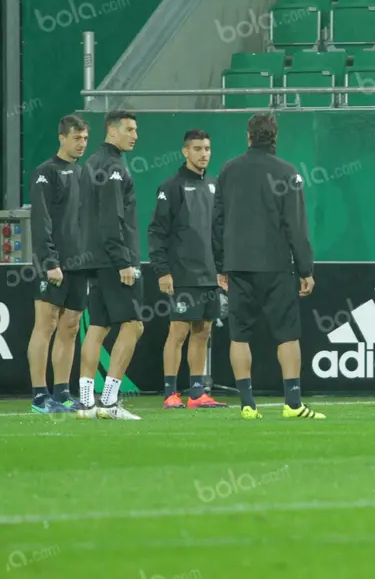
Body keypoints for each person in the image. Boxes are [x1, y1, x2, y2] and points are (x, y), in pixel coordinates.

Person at [213, 113, 320, 420]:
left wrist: (221, 266)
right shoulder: (288, 172)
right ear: (275, 137)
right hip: (275, 266)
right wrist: (306, 269)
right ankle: (293, 404)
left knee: (239, 335)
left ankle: (247, 404)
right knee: (287, 335)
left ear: (249, 136)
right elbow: (296, 227)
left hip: (238, 265)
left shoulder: (227, 170)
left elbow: (216, 223)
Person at [148, 129, 227, 410]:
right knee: (178, 332)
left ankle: (196, 393)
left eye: (207, 148)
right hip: (182, 275)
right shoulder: (171, 187)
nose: (203, 153)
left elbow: (220, 234)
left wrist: (222, 270)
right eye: (197, 149)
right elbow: (157, 232)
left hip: (210, 276)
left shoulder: (216, 186)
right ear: (185, 152)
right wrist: (162, 271)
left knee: (203, 331)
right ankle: (170, 393)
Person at [77, 110, 144, 420]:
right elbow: (111, 219)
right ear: (112, 132)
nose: (135, 135)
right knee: (133, 325)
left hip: (93, 259)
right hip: (115, 260)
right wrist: (124, 262)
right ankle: (109, 401)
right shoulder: (113, 167)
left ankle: (86, 402)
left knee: (98, 326)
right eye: (129, 129)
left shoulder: (90, 164)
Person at [26, 115, 90, 414]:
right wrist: (50, 260)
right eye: (76, 138)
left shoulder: (84, 174)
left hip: (79, 264)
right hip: (53, 264)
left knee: (71, 326)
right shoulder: (45, 173)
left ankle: (62, 392)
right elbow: (41, 222)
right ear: (62, 138)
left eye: (85, 139)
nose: (81, 144)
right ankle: (40, 395)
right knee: (46, 324)